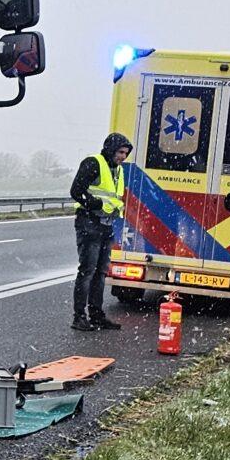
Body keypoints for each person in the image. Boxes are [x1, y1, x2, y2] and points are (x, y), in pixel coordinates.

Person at [69, 130, 132, 331]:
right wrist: (95, 204)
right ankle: (79, 317)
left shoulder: (118, 170)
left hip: (106, 225)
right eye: (120, 152)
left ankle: (96, 315)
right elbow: (76, 191)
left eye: (125, 153)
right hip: (89, 223)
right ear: (111, 149)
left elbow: (114, 197)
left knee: (101, 272)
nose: (123, 157)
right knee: (87, 270)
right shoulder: (93, 163)